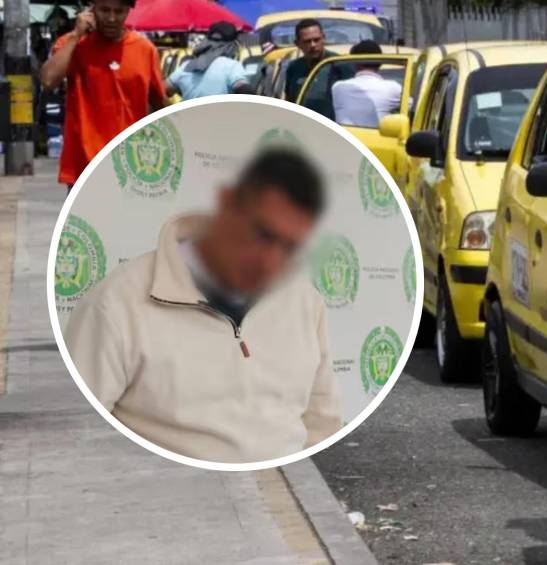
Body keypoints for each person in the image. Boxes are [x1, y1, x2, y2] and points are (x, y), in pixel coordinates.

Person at [64, 147, 342, 464]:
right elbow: (77, 439)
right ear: (227, 205)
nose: (270, 260)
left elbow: (322, 421)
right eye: (263, 233)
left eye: (289, 246)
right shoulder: (115, 306)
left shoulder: (303, 300)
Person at [39, 0, 166, 188]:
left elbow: (160, 103)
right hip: (85, 169)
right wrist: (76, 35)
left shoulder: (145, 50)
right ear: (92, 10)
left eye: (119, 11)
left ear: (129, 11)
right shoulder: (74, 44)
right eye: (105, 10)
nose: (112, 18)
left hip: (131, 168)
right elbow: (48, 80)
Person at [165, 21, 252, 100]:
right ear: (232, 46)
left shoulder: (186, 66)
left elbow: (163, 91)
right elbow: (243, 88)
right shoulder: (231, 66)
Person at [332, 40, 402, 128]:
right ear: (380, 63)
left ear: (355, 63)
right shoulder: (393, 88)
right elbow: (411, 109)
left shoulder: (338, 88)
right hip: (378, 140)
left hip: (343, 140)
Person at [284, 18, 336, 102]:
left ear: (324, 38)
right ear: (297, 44)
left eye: (316, 40)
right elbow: (289, 100)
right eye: (307, 41)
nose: (313, 45)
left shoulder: (339, 64)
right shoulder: (294, 68)